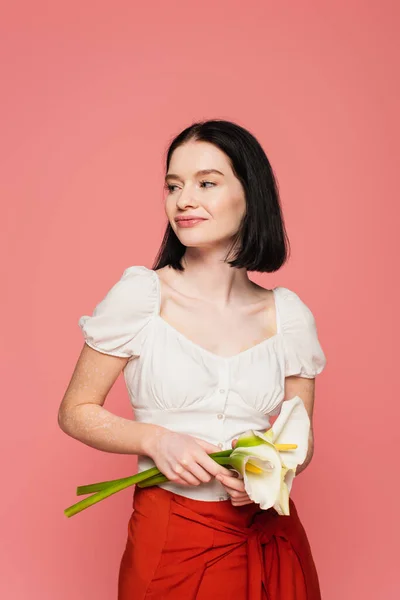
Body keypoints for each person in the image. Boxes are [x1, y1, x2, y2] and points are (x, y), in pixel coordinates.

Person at [58, 119, 327, 599]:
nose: (183, 199)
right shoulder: (141, 295)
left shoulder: (289, 315)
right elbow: (75, 411)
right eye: (173, 185)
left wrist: (269, 472)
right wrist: (156, 440)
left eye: (206, 183)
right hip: (172, 537)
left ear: (251, 195)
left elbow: (300, 442)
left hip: (271, 536)